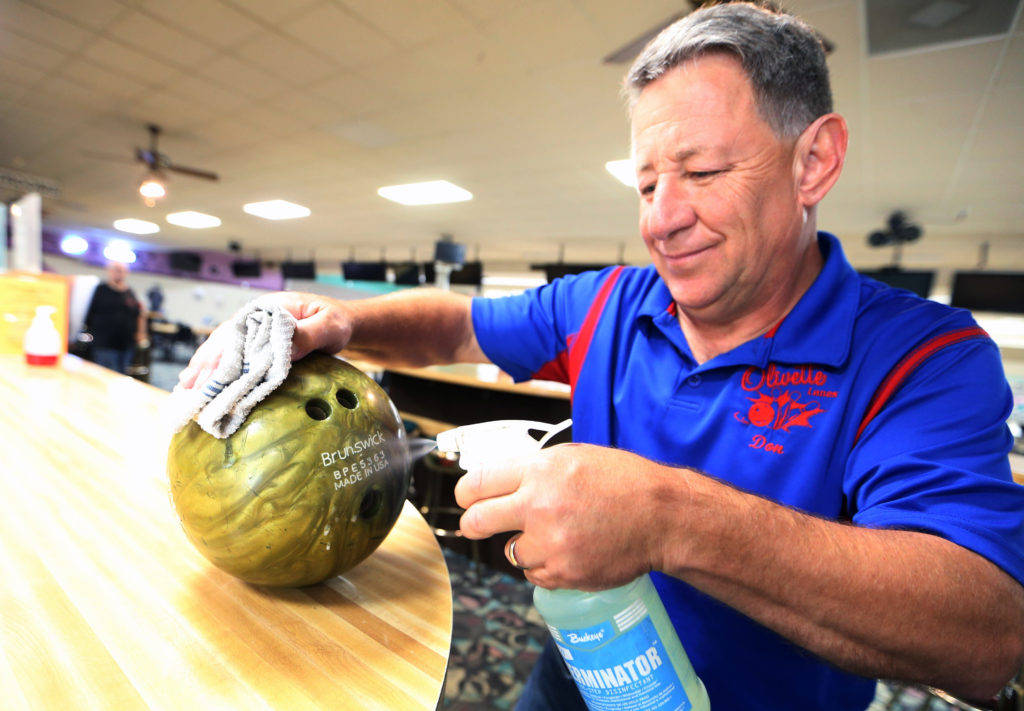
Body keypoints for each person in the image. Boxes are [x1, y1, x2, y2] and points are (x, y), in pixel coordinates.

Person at [179, 3, 1024, 708]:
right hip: (580, 671)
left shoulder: (924, 358)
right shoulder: (613, 302)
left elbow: (984, 634)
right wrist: (334, 321)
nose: (661, 219)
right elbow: (456, 326)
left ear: (815, 160)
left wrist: (669, 518)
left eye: (700, 170)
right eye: (649, 183)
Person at [85, 260, 147, 374]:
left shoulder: (129, 292)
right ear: (109, 271)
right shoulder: (100, 290)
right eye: (117, 270)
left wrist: (141, 332)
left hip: (126, 343)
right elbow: (88, 314)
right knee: (107, 374)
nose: (120, 274)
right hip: (105, 343)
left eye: (123, 271)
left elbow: (139, 314)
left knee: (121, 375)